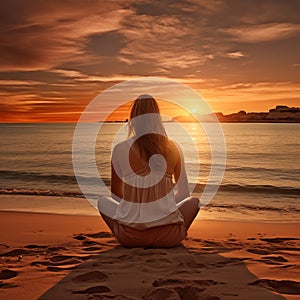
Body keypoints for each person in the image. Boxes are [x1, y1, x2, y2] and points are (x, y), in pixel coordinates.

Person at [98, 94, 200, 247]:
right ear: (157, 117)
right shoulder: (173, 148)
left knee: (102, 202)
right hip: (169, 237)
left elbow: (116, 195)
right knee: (194, 202)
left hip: (130, 237)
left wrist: (137, 208)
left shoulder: (119, 149)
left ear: (133, 117)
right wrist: (161, 206)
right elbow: (184, 194)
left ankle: (130, 230)